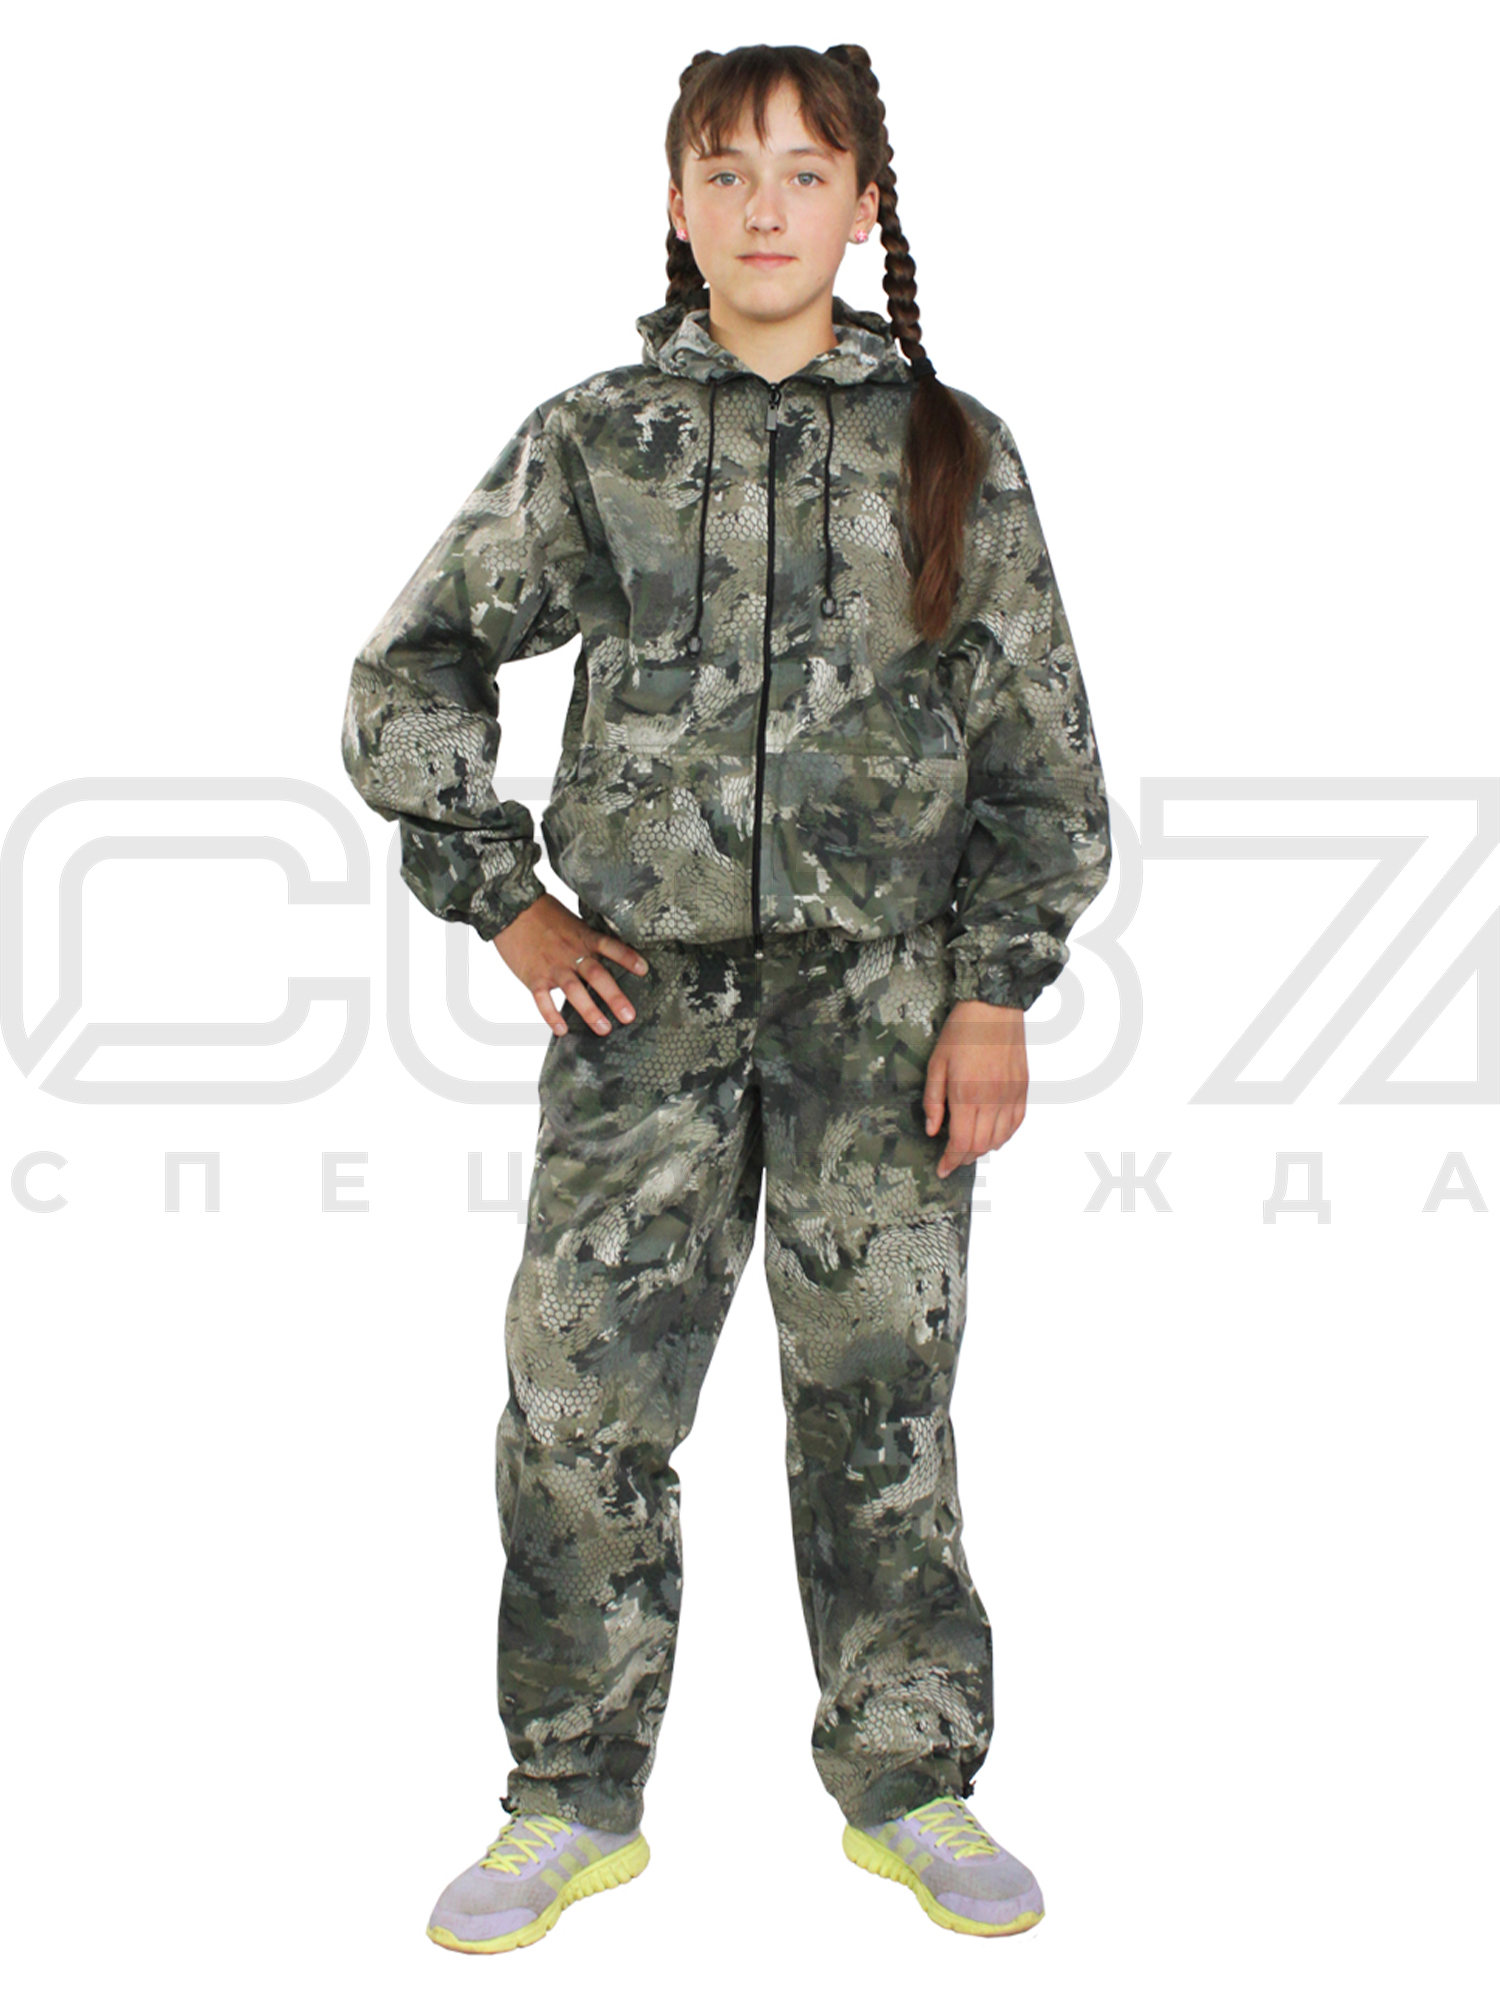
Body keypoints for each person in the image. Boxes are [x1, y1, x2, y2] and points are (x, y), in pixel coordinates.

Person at [340, 41, 1111, 1952]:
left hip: (885, 1015)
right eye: (728, 171)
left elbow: (1039, 752)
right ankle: (568, 1794)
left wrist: (995, 993)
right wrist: (505, 904)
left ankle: (912, 1779)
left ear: (865, 206)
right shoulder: (597, 440)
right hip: (644, 1019)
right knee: (579, 1404)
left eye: (805, 171)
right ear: (677, 204)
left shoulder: (951, 448)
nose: (767, 208)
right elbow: (410, 670)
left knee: (880, 1407)